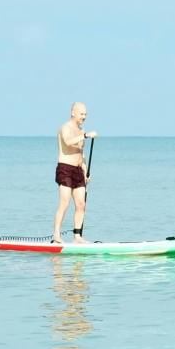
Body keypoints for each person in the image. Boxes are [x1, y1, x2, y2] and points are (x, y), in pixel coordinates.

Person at [52, 102, 97, 243]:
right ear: (73, 112)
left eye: (85, 114)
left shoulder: (80, 130)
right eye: (81, 113)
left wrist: (85, 170)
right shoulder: (65, 127)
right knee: (64, 202)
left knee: (81, 204)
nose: (84, 117)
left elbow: (81, 153)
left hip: (78, 170)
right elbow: (68, 142)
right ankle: (56, 234)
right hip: (65, 168)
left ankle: (77, 236)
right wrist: (85, 135)